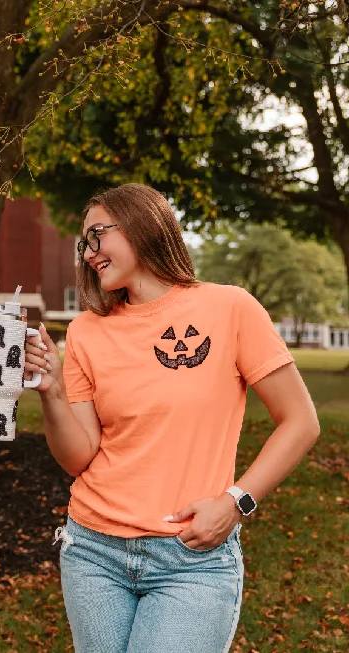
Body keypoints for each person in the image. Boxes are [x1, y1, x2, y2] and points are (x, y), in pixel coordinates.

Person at [24, 184, 320, 653]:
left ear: (142, 223)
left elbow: (301, 420)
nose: (88, 252)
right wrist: (52, 393)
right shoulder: (85, 332)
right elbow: (78, 458)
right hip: (93, 552)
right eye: (84, 243)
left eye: (97, 234)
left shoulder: (230, 308)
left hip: (192, 558)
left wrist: (236, 502)